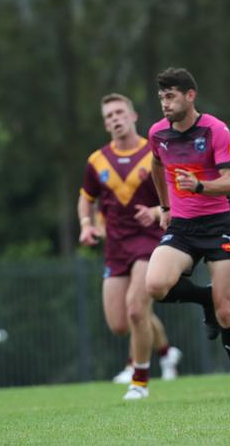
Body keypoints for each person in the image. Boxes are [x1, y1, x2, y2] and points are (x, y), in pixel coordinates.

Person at [145, 67, 230, 399]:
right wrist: (164, 208)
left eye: (171, 96)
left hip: (219, 225)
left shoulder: (215, 130)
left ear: (190, 96)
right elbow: (155, 165)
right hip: (182, 228)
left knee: (226, 312)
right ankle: (204, 297)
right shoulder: (157, 134)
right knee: (155, 285)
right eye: (161, 97)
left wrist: (200, 185)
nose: (165, 103)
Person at [78, 93, 182, 400]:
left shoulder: (154, 152)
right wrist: (87, 226)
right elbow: (87, 198)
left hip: (149, 241)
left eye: (119, 112)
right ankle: (166, 351)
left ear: (133, 116)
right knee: (120, 324)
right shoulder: (97, 161)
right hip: (116, 246)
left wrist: (155, 212)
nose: (115, 118)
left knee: (137, 309)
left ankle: (139, 381)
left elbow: (175, 194)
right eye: (109, 115)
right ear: (105, 122)